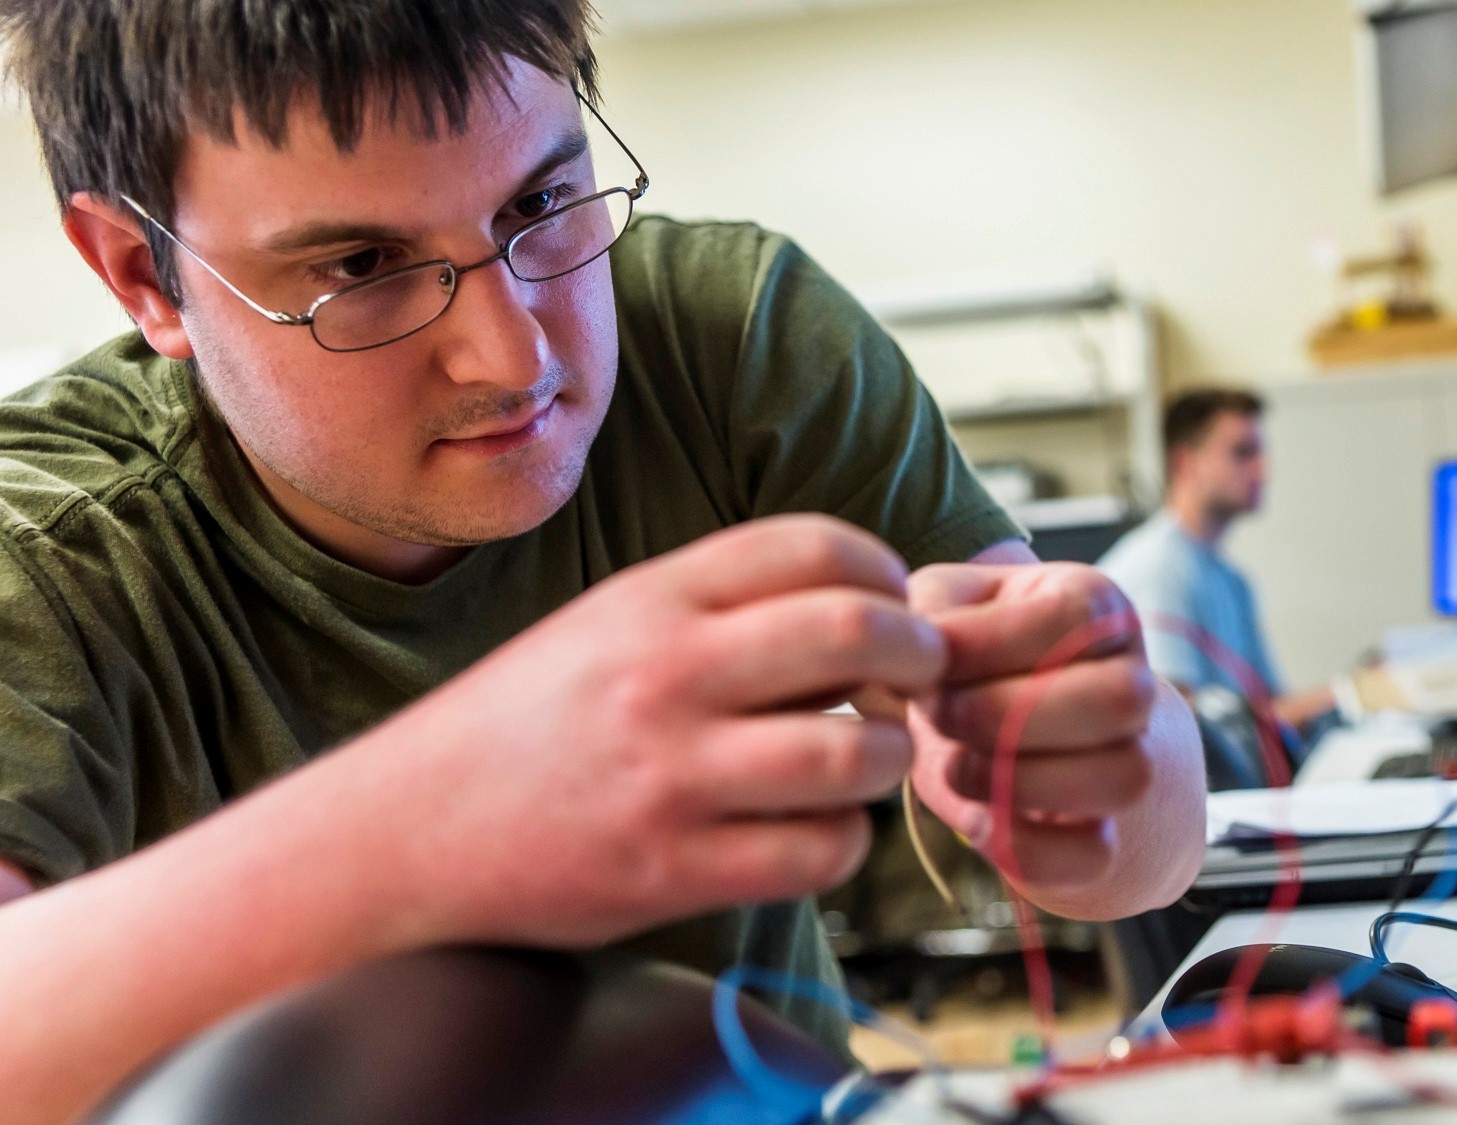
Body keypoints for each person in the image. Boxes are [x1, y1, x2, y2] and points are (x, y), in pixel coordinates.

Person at [0, 3, 1206, 1120]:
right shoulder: (49, 554)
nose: (510, 353)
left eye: (539, 208)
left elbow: (1148, 854)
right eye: (359, 269)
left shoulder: (733, 343)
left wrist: (1097, 772)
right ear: (143, 272)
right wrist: (436, 819)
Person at [1098, 389, 1335, 730]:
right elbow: (1175, 723)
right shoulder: (1158, 569)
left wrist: (1353, 692)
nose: (1263, 471)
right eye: (1242, 453)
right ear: (1184, 463)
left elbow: (1270, 710)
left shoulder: (1231, 580)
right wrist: (1346, 693)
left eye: (1260, 452)